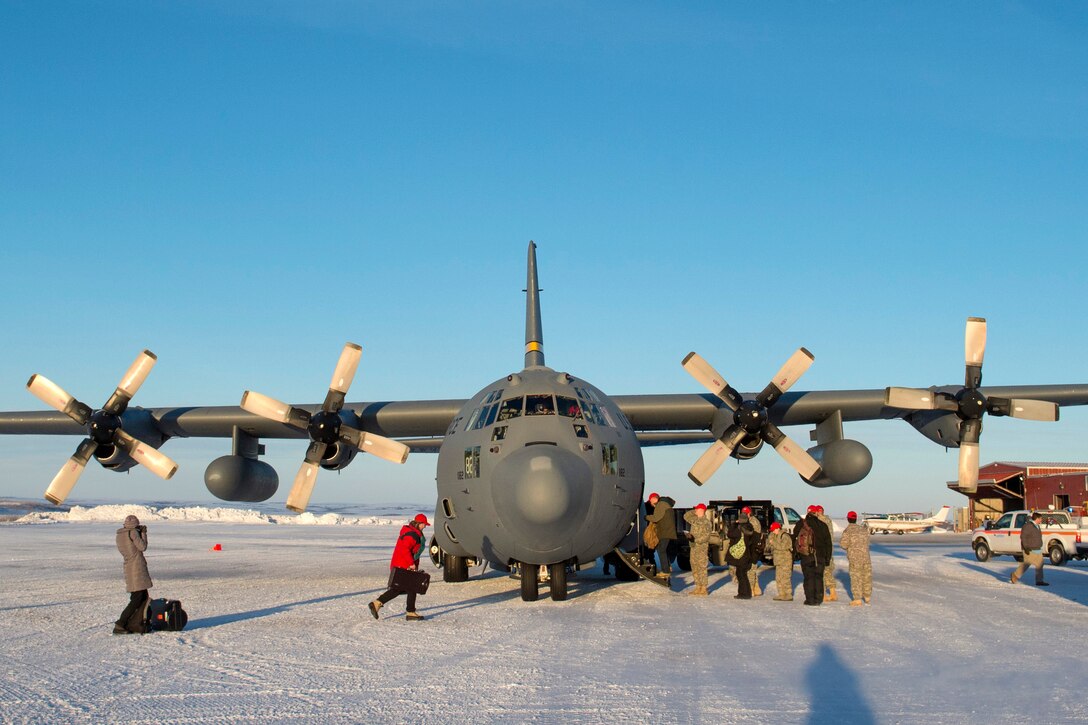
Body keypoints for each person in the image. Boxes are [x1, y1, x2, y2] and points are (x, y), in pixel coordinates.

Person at [370, 513, 430, 621]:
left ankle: (379, 604)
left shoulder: (413, 533)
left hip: (404, 564)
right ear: (419, 523)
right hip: (403, 565)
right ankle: (379, 604)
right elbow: (404, 550)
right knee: (406, 587)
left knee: (408, 588)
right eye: (424, 524)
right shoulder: (412, 535)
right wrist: (411, 563)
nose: (425, 526)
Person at [114, 514, 152, 635]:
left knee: (142, 597)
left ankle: (136, 623)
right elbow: (142, 547)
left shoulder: (120, 535)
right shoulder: (133, 533)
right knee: (136, 599)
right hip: (137, 568)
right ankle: (121, 624)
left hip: (129, 566)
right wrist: (143, 533)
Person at [794, 505, 833, 605]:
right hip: (820, 556)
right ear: (816, 513)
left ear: (807, 512)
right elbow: (828, 543)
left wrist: (796, 554)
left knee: (809, 577)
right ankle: (818, 599)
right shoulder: (823, 525)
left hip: (806, 556)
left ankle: (810, 599)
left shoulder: (801, 524)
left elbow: (794, 538)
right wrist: (827, 558)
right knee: (819, 577)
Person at [839, 511, 872, 606]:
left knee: (856, 578)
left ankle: (857, 599)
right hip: (866, 557)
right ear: (856, 519)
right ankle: (867, 596)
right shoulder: (863, 530)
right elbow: (867, 541)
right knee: (866, 576)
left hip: (855, 558)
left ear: (848, 519)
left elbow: (843, 545)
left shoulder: (848, 531)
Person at [1011, 511, 1049, 587]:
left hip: (1037, 549)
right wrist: (1026, 547)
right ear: (1037, 518)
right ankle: (1015, 575)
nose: (1041, 520)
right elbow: (1023, 537)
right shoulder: (1028, 526)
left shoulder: (1037, 526)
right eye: (1040, 518)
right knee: (1026, 564)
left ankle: (1039, 581)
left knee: (1040, 564)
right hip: (1029, 549)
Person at [645, 492, 677, 580]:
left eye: (650, 501)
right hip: (667, 531)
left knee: (661, 550)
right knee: (662, 549)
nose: (651, 503)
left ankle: (665, 571)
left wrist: (646, 517)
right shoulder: (665, 503)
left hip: (665, 532)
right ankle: (667, 568)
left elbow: (656, 518)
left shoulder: (661, 504)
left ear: (653, 499)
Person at [683, 503, 713, 596]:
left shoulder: (706, 522)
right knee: (694, 567)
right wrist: (694, 510)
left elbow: (706, 536)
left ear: (702, 510)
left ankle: (703, 588)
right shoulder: (694, 520)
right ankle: (697, 586)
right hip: (693, 547)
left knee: (702, 568)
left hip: (701, 548)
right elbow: (685, 516)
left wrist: (695, 540)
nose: (695, 510)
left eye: (697, 509)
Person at [726, 512, 757, 599]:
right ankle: (745, 593)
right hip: (747, 554)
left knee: (741, 574)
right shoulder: (750, 527)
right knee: (743, 574)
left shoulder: (739, 529)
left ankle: (744, 594)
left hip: (741, 556)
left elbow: (730, 534)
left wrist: (734, 524)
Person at [767, 522, 794, 601]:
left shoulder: (785, 536)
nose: (772, 531)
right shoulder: (774, 536)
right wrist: (771, 539)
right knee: (778, 578)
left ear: (778, 528)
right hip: (778, 561)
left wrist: (773, 543)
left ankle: (788, 594)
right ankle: (781, 594)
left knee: (785, 578)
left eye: (773, 530)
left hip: (785, 561)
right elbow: (769, 545)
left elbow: (783, 546)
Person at [815, 505, 838, 602]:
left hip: (822, 551)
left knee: (822, 573)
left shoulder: (819, 522)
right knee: (828, 572)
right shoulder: (828, 520)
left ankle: (823, 594)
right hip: (830, 550)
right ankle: (833, 593)